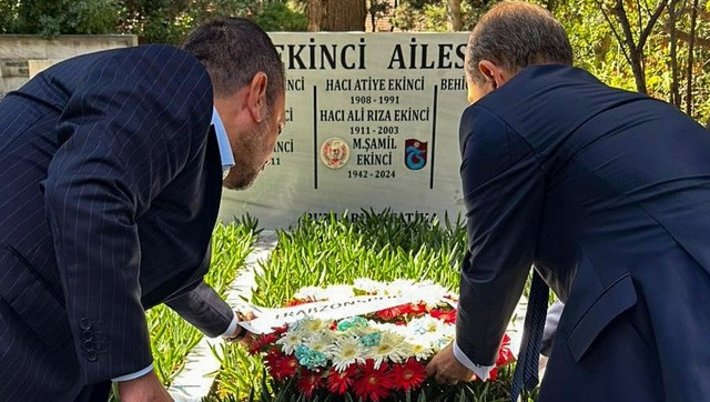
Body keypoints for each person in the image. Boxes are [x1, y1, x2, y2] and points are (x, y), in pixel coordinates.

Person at [425, 2, 710, 401]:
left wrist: (468, 353)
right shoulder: (636, 110)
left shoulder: (501, 114)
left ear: (490, 75)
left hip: (667, 306)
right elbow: (623, 235)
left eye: (474, 96)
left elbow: (495, 256)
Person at [0, 18, 285, 402]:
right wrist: (136, 377)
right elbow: (87, 193)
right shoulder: (175, 77)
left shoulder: (171, 131)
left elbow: (153, 261)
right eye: (280, 125)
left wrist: (234, 328)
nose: (274, 146)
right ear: (257, 95)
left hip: (41, 356)